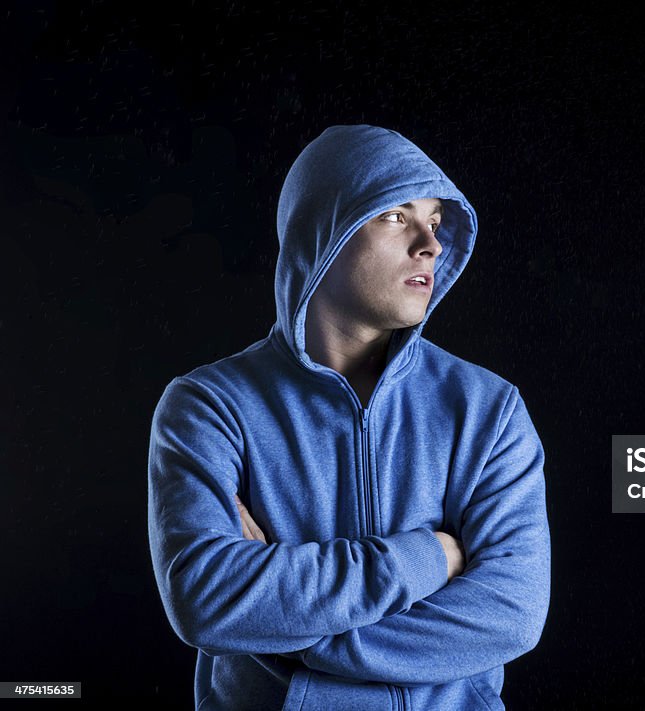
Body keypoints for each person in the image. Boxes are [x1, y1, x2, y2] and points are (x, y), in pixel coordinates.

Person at [147, 124, 551, 710]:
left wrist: (280, 631)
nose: (430, 245)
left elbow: (511, 614)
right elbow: (206, 599)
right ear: (321, 232)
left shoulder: (488, 408)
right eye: (395, 215)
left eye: (435, 221)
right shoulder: (208, 406)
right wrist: (429, 557)